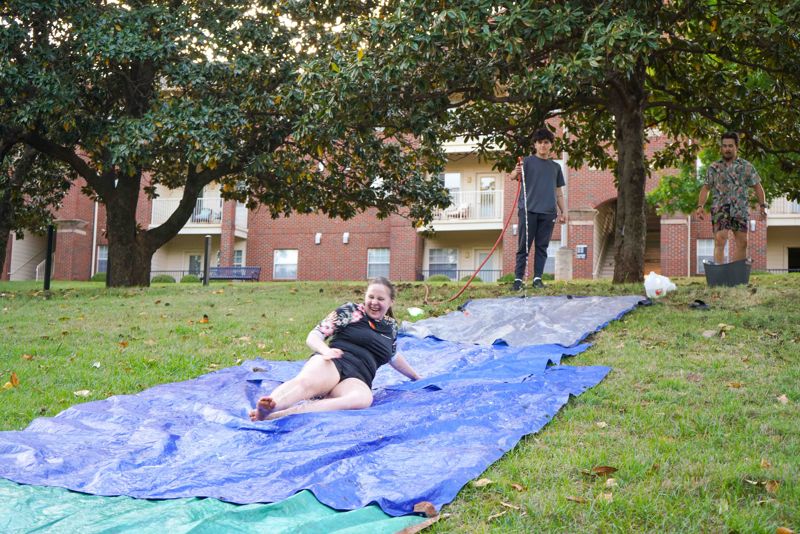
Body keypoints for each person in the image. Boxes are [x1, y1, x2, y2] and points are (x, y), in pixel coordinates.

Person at [249, 277, 421, 421]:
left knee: (363, 399)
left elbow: (393, 356)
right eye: (371, 297)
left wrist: (415, 377)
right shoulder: (351, 311)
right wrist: (325, 351)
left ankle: (285, 414)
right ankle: (271, 406)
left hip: (359, 378)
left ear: (391, 302)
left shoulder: (391, 327)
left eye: (381, 299)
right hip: (334, 362)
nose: (374, 303)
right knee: (306, 383)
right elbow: (314, 336)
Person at [508, 128, 567, 290]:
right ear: (535, 144)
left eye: (546, 142)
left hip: (548, 212)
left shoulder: (555, 167)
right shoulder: (526, 162)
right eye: (540, 142)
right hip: (528, 210)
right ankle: (518, 280)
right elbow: (513, 176)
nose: (543, 145)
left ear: (551, 145)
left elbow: (559, 193)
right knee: (523, 246)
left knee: (542, 247)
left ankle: (537, 279)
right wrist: (516, 171)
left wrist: (564, 211)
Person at [695, 132, 767, 264]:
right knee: (720, 239)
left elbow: (757, 187)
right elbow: (706, 188)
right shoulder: (714, 168)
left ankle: (736, 275)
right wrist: (700, 206)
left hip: (740, 209)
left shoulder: (746, 167)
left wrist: (763, 206)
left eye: (730, 146)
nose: (727, 149)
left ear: (736, 147)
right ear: (721, 148)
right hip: (720, 208)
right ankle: (719, 273)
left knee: (742, 242)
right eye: (724, 146)